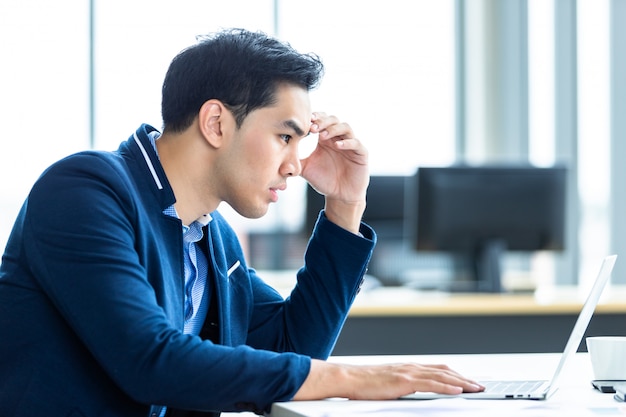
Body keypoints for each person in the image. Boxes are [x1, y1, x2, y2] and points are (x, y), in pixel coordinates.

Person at [0, 28, 483, 417]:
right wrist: (356, 379)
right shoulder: (85, 190)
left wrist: (344, 207)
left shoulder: (211, 237)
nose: (296, 165)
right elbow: (150, 360)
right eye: (283, 136)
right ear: (215, 123)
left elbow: (294, 347)